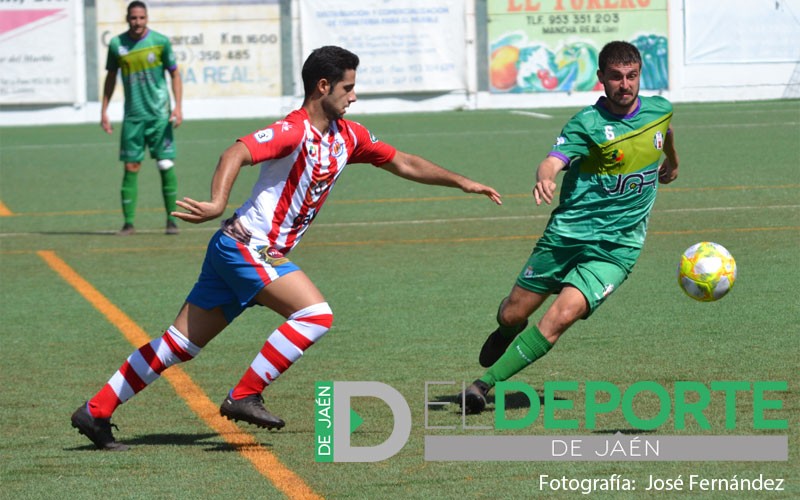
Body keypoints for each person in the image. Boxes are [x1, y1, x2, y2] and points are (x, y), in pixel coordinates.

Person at [71, 45, 503, 450]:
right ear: (323, 87)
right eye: (348, 87)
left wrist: (461, 181)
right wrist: (217, 202)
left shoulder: (347, 136)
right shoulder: (292, 130)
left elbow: (402, 161)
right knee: (315, 314)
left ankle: (96, 411)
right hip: (248, 246)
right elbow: (234, 152)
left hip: (238, 248)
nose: (354, 96)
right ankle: (244, 394)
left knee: (178, 345)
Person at [461, 41, 679, 414]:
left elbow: (666, 132)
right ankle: (506, 332)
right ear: (601, 79)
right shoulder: (586, 124)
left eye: (631, 76)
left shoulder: (659, 110)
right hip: (566, 237)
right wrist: (544, 177)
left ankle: (482, 386)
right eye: (616, 77)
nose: (624, 85)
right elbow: (553, 160)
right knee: (512, 313)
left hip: (617, 249)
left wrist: (672, 162)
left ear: (640, 76)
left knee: (559, 318)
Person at [101, 1, 183, 236]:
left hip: (159, 116)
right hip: (133, 117)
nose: (137, 22)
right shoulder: (117, 44)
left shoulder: (160, 42)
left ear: (147, 18)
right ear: (127, 18)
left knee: (165, 164)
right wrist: (104, 110)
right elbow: (110, 78)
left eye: (141, 18)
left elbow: (175, 74)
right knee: (131, 166)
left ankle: (171, 221)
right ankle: (128, 224)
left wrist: (177, 107)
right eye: (133, 18)